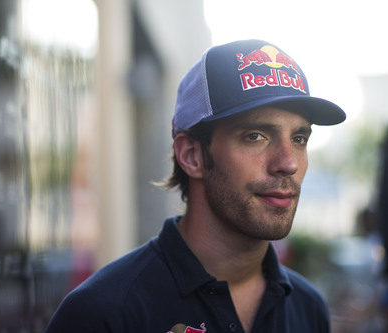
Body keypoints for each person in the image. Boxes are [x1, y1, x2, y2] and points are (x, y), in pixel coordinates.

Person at [46, 39, 346, 333]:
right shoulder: (103, 314)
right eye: (255, 136)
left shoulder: (308, 308)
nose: (289, 162)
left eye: (299, 139)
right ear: (192, 155)